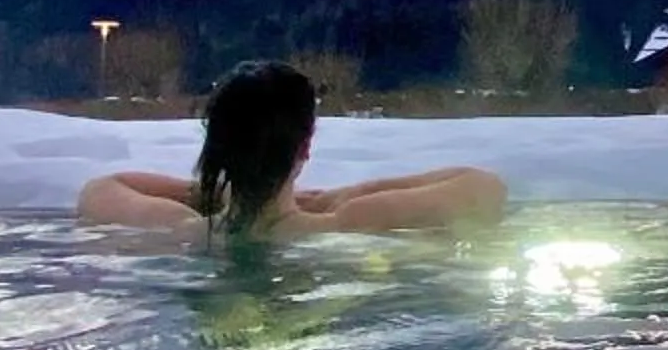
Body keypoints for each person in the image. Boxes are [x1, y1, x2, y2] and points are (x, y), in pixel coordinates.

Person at [75, 59, 506, 241]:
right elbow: (486, 189)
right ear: (305, 147)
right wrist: (346, 195)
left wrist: (214, 190)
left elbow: (101, 188)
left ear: (216, 144)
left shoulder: (184, 230)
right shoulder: (348, 223)